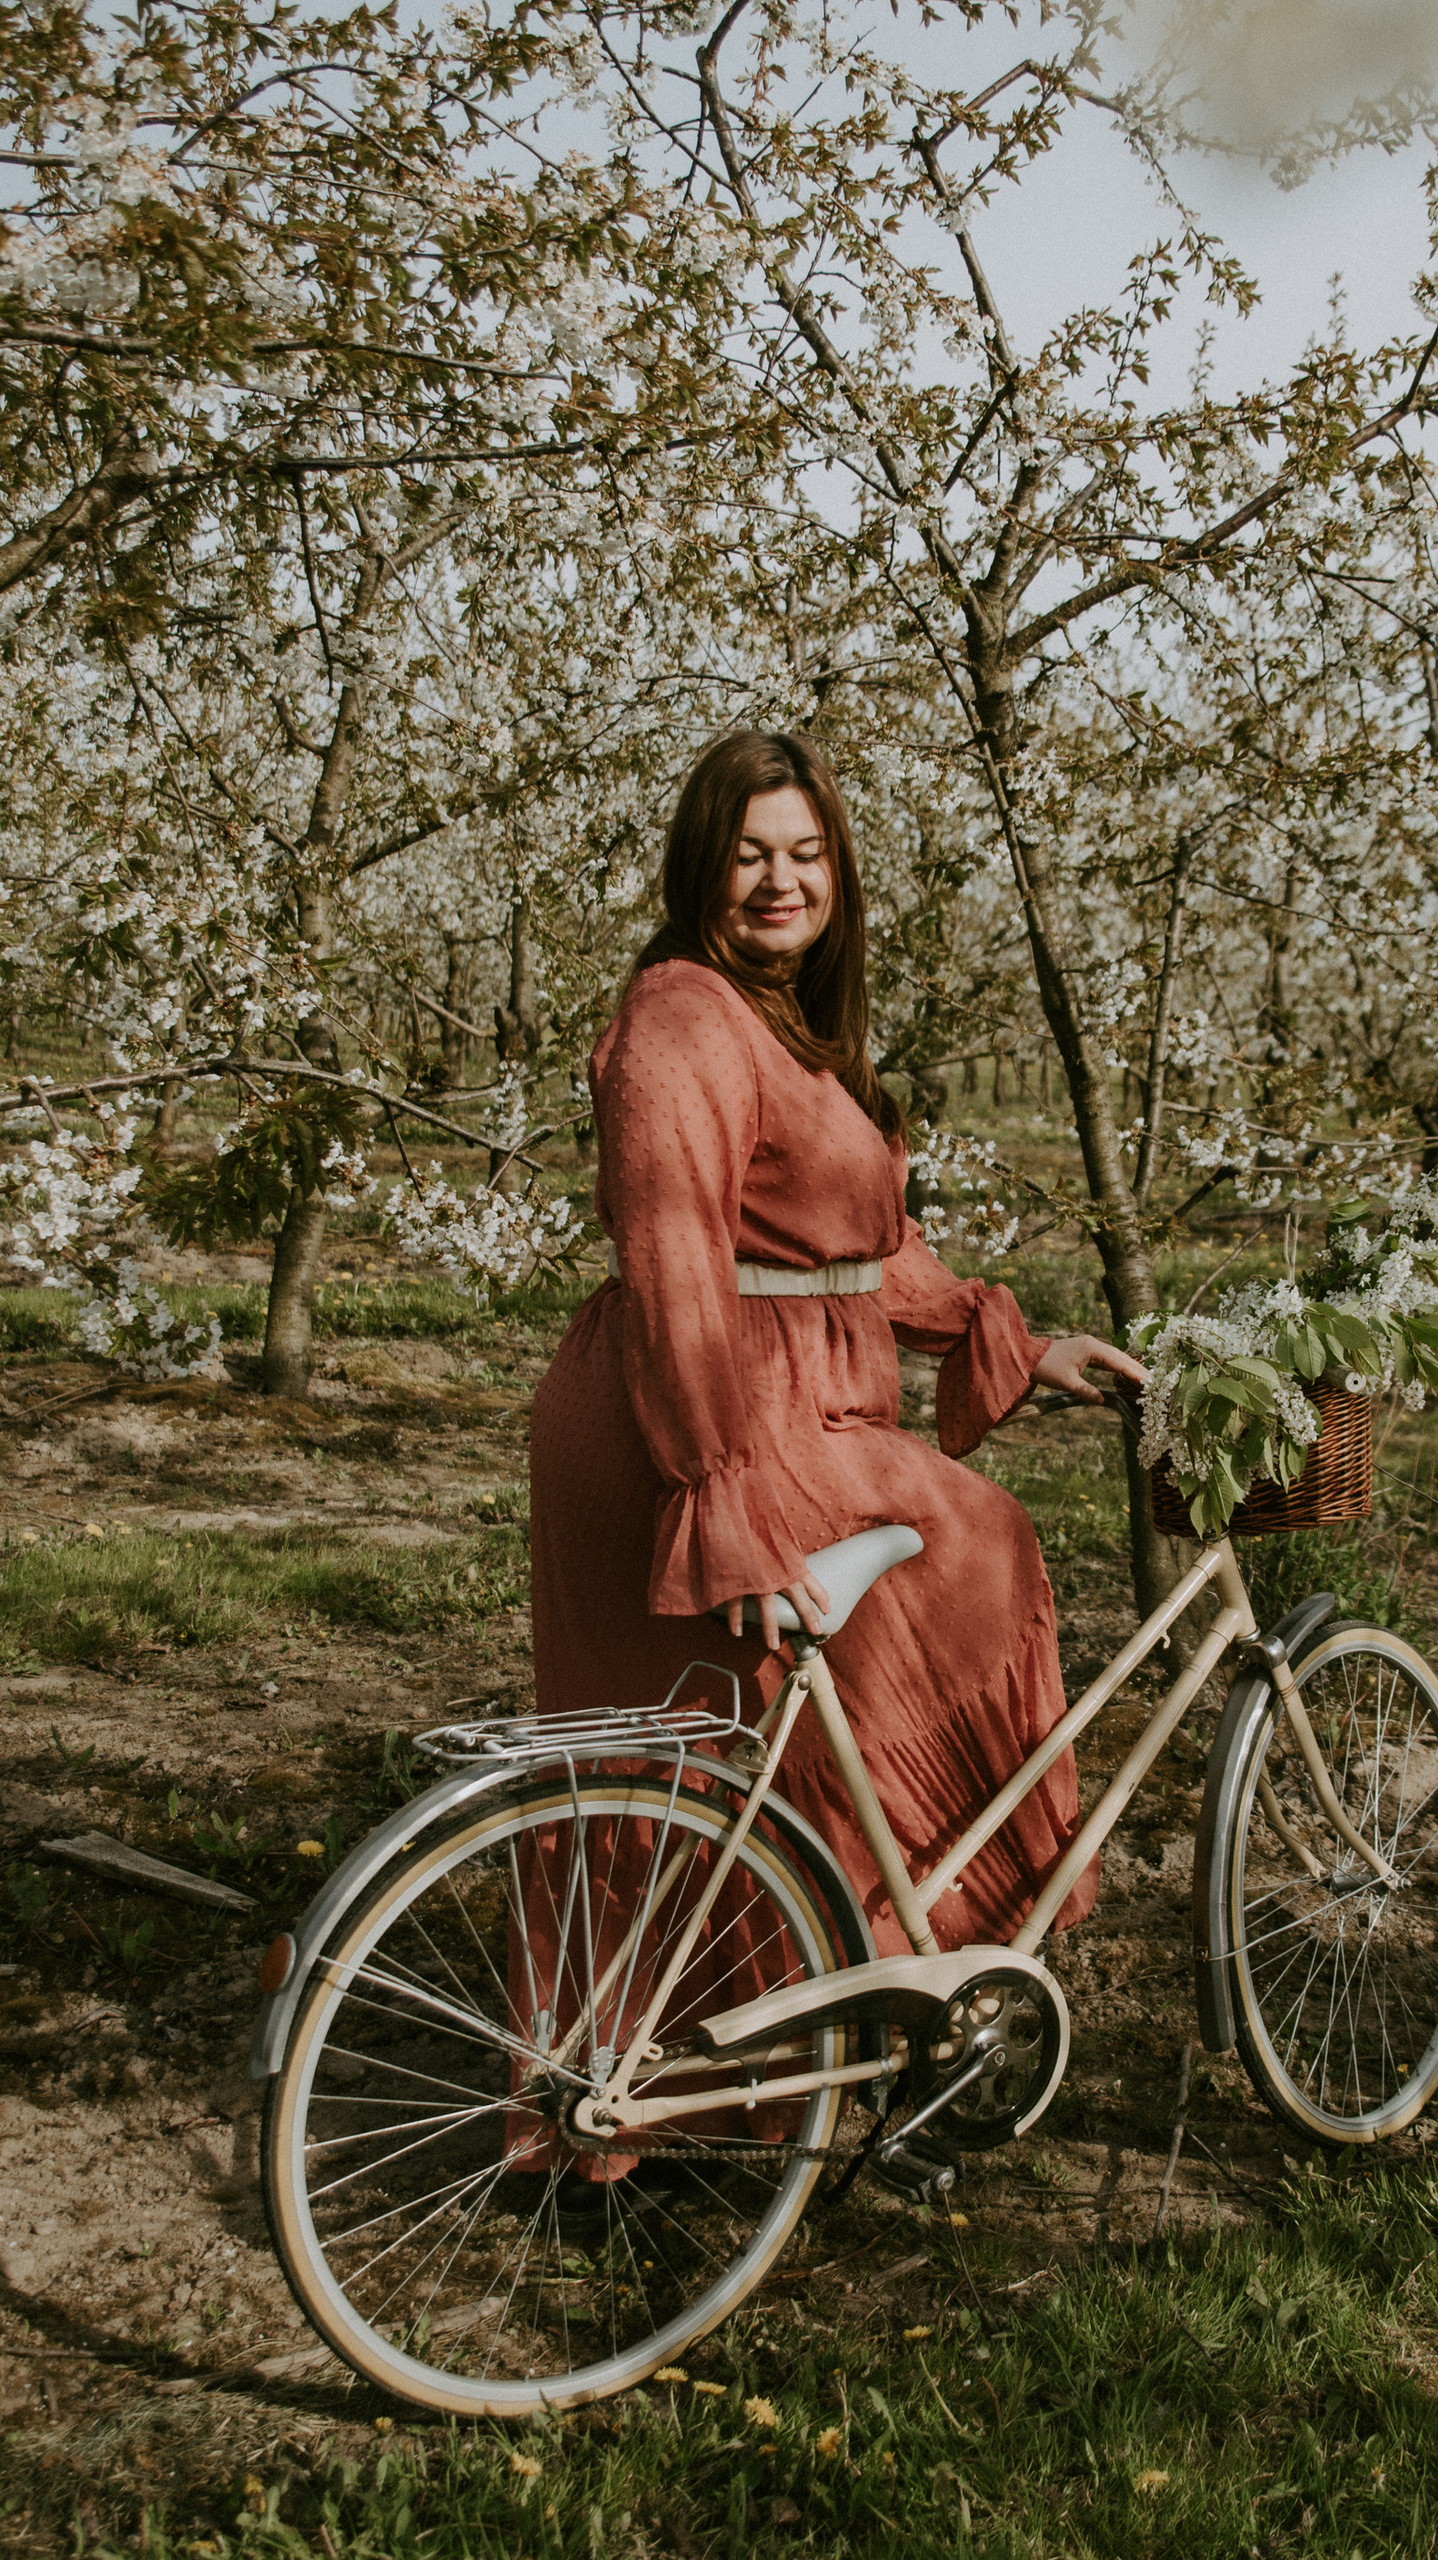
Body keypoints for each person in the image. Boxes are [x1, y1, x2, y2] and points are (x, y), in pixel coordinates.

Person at [522, 730, 1144, 1978]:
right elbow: (674, 1259)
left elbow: (850, 1249)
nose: (780, 880)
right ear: (699, 863)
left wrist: (999, 1335)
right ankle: (783, 2021)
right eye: (748, 854)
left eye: (806, 853)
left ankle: (866, 1983)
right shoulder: (680, 1019)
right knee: (964, 1554)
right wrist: (719, 1495)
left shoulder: (773, 1018)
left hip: (768, 1409)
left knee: (791, 1723)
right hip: (703, 1417)